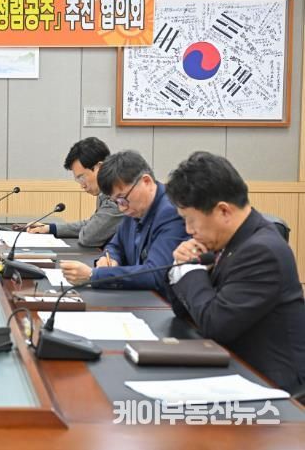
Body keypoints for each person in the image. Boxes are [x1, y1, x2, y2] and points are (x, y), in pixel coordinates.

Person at [166, 151, 305, 393]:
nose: (188, 230)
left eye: (191, 220)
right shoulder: (231, 240)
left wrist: (190, 270)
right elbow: (185, 310)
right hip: (233, 365)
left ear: (223, 211)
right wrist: (182, 266)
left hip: (273, 386)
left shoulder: (261, 251)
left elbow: (215, 324)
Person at [60, 150, 188, 297]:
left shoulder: (171, 211)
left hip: (163, 303)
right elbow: (116, 245)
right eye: (116, 202)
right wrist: (110, 258)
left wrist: (93, 275)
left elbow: (155, 273)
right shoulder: (132, 206)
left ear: (146, 182)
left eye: (122, 199)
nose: (121, 208)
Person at [27, 137, 123, 247]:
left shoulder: (117, 198)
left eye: (82, 177)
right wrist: (49, 228)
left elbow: (89, 236)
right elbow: (93, 224)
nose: (82, 185)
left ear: (100, 168)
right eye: (78, 180)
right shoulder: (105, 192)